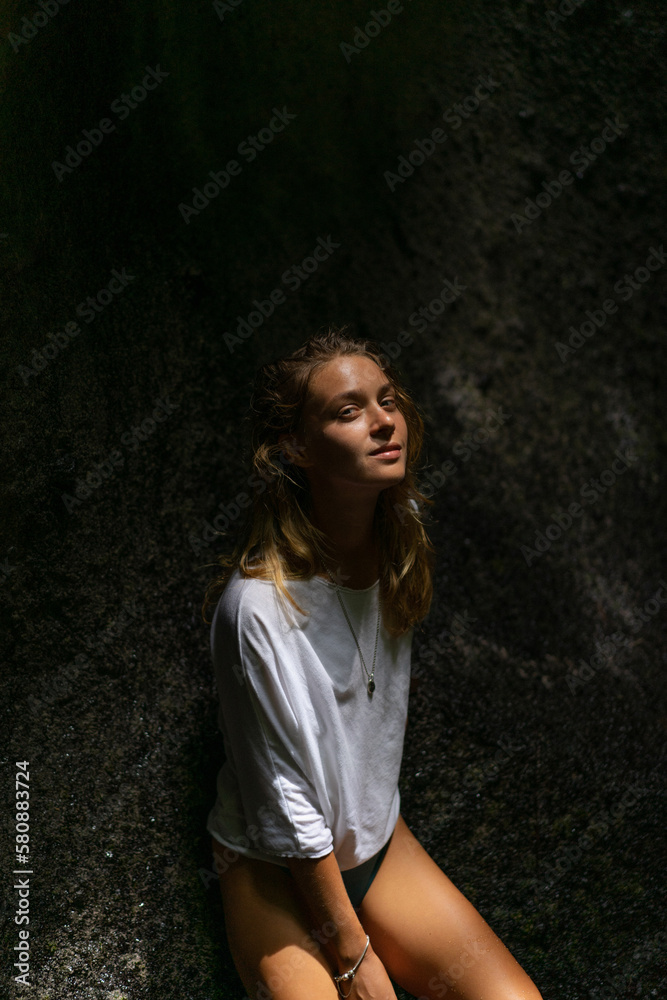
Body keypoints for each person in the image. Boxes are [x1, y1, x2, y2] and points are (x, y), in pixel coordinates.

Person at [203, 326, 543, 1000]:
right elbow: (288, 806)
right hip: (274, 866)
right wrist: (353, 957)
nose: (384, 421)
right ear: (297, 448)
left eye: (387, 400)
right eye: (348, 410)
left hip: (376, 847)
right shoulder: (256, 611)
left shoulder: (398, 545)